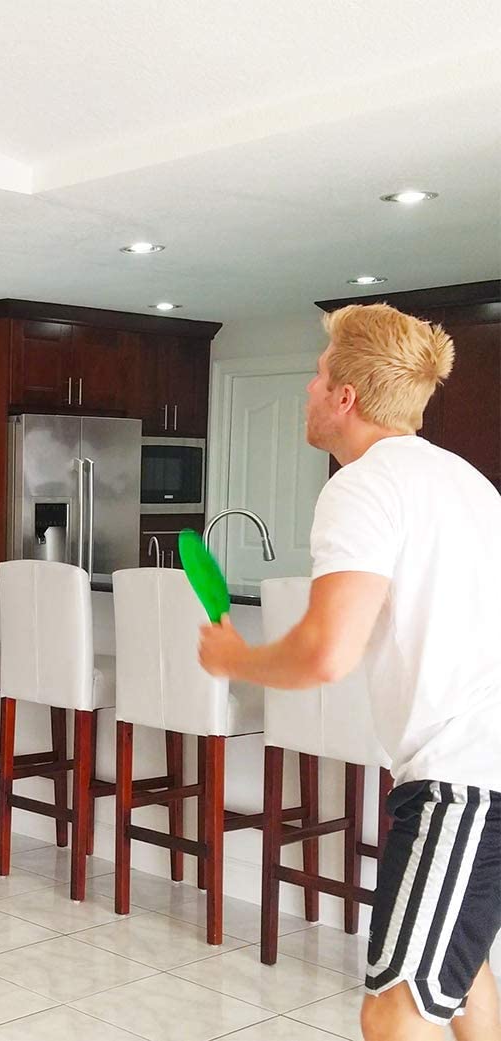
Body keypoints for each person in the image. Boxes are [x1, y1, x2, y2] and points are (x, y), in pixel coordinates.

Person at [198, 303, 501, 1041]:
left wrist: (234, 657)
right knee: (458, 976)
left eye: (317, 374)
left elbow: (325, 651)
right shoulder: (465, 481)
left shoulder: (362, 486)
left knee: (393, 1009)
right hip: (477, 768)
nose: (308, 388)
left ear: (346, 397)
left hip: (461, 775)